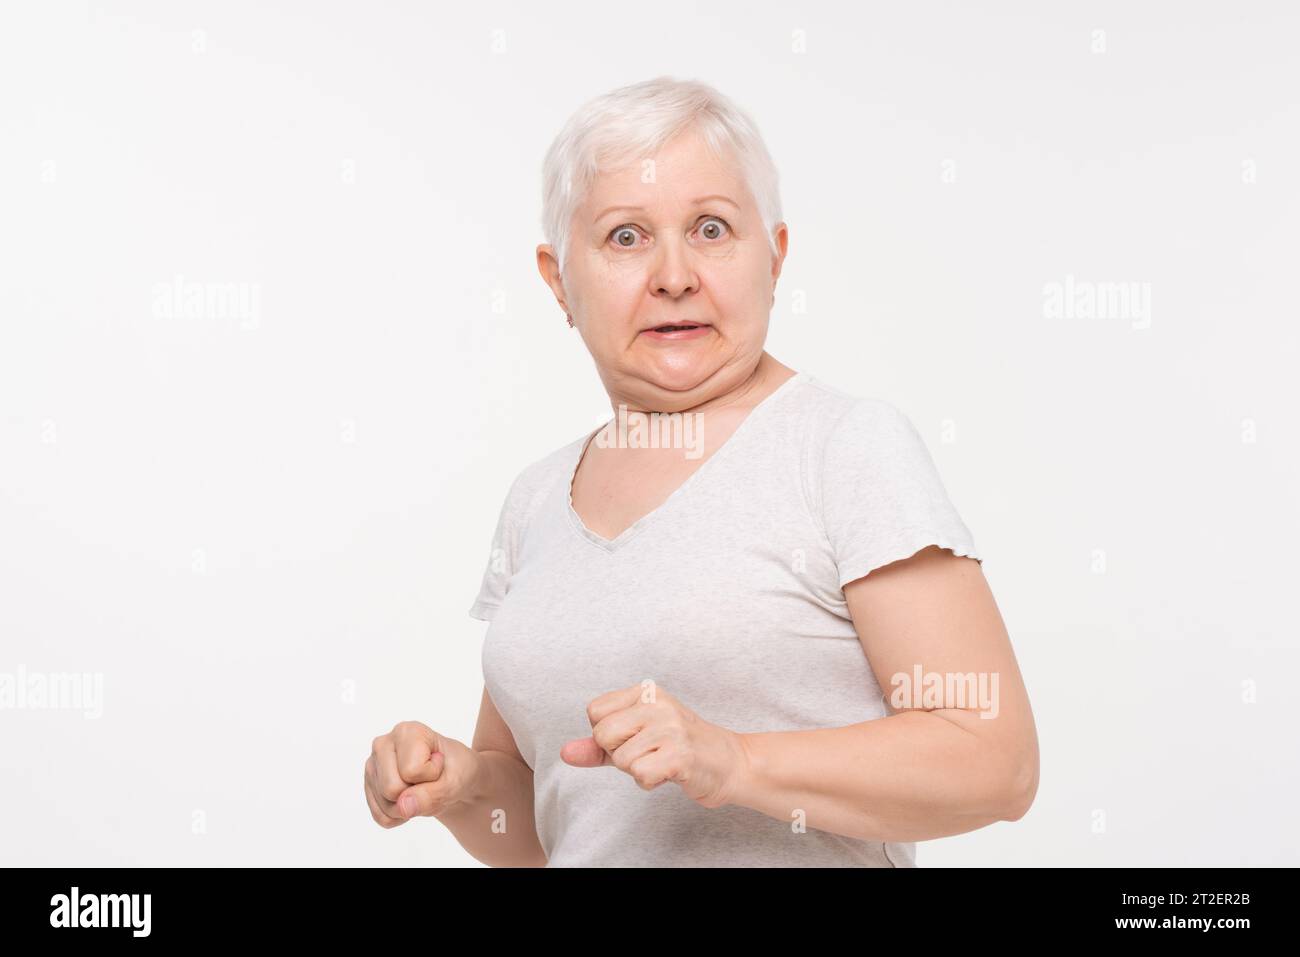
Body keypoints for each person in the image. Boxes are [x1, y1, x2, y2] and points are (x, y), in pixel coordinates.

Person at [364, 75, 1039, 867]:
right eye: (625, 236)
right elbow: (550, 823)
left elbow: (995, 761)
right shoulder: (536, 499)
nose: (675, 275)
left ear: (774, 256)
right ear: (559, 281)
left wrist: (734, 761)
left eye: (712, 229)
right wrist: (463, 786)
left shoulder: (843, 447)